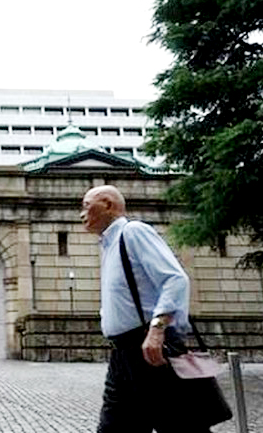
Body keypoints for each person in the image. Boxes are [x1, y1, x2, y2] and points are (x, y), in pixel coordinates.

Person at [81, 185, 208, 433]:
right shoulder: (108, 245)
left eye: (86, 206)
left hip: (149, 349)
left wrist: (157, 329)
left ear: (108, 204)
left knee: (181, 427)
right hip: (122, 354)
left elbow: (174, 279)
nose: (81, 214)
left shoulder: (133, 232)